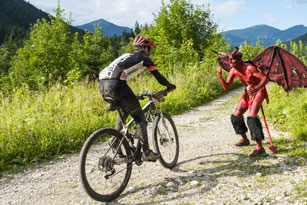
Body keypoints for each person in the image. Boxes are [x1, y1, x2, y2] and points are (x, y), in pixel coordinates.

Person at [99, 36, 176, 162]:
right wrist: (169, 86)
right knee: (140, 118)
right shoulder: (144, 59)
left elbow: (118, 74)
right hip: (117, 85)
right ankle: (146, 152)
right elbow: (158, 77)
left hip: (103, 85)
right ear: (145, 48)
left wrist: (132, 94)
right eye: (149, 49)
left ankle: (114, 139)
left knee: (125, 108)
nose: (150, 53)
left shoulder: (126, 56)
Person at [216, 47, 269, 158]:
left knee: (251, 117)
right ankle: (245, 140)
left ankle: (260, 148)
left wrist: (256, 88)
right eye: (229, 60)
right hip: (248, 93)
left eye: (232, 60)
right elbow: (226, 87)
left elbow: (265, 79)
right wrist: (220, 76)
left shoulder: (249, 68)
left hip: (259, 90)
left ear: (240, 60)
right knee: (236, 116)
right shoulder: (233, 70)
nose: (230, 62)